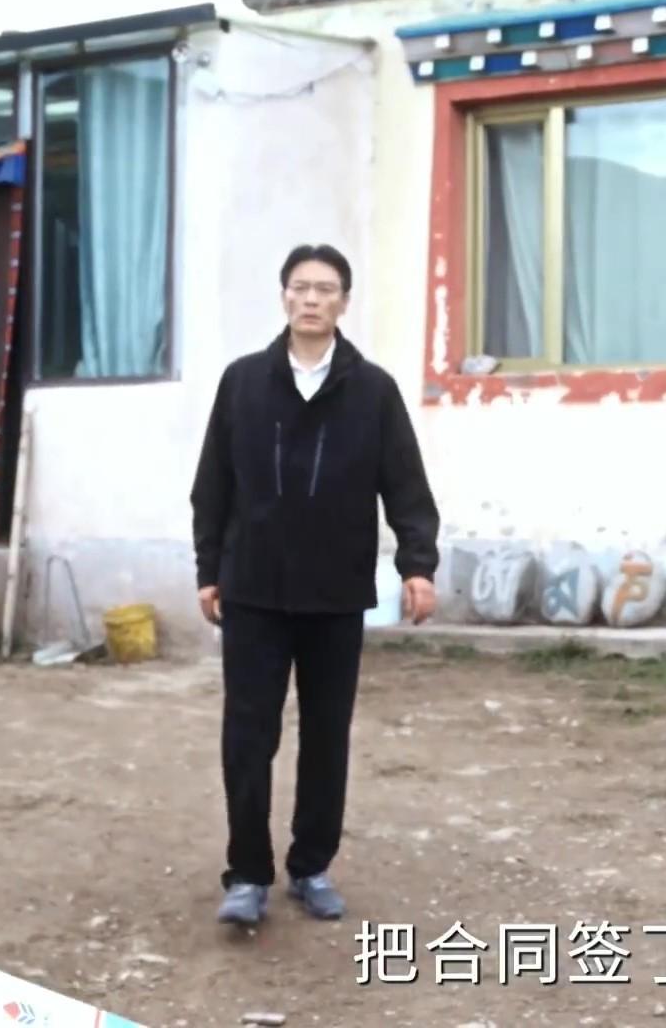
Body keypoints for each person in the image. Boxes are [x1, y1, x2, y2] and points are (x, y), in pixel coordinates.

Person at [191, 243, 442, 927]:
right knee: (249, 736)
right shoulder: (243, 383)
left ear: (343, 302)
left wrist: (417, 566)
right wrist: (209, 570)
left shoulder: (373, 391)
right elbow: (212, 485)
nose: (311, 299)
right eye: (300, 287)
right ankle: (247, 874)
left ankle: (311, 867)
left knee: (327, 736)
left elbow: (406, 487)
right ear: (284, 296)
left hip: (335, 594)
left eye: (325, 288)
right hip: (253, 591)